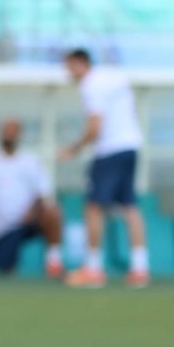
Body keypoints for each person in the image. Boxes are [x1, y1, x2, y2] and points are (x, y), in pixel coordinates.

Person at [58, 48, 149, 287]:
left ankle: (93, 268)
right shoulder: (114, 77)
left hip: (109, 150)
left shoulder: (91, 85)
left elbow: (95, 127)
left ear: (80, 64)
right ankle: (140, 268)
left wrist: (73, 148)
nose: (68, 74)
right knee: (130, 206)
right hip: (131, 146)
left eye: (69, 67)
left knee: (93, 207)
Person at [0, 119, 64, 277]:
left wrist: (31, 211)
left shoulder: (31, 161)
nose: (9, 134)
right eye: (6, 130)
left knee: (51, 211)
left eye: (13, 130)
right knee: (5, 268)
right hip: (1, 230)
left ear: (19, 134)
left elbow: (43, 193)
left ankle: (54, 261)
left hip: (26, 222)